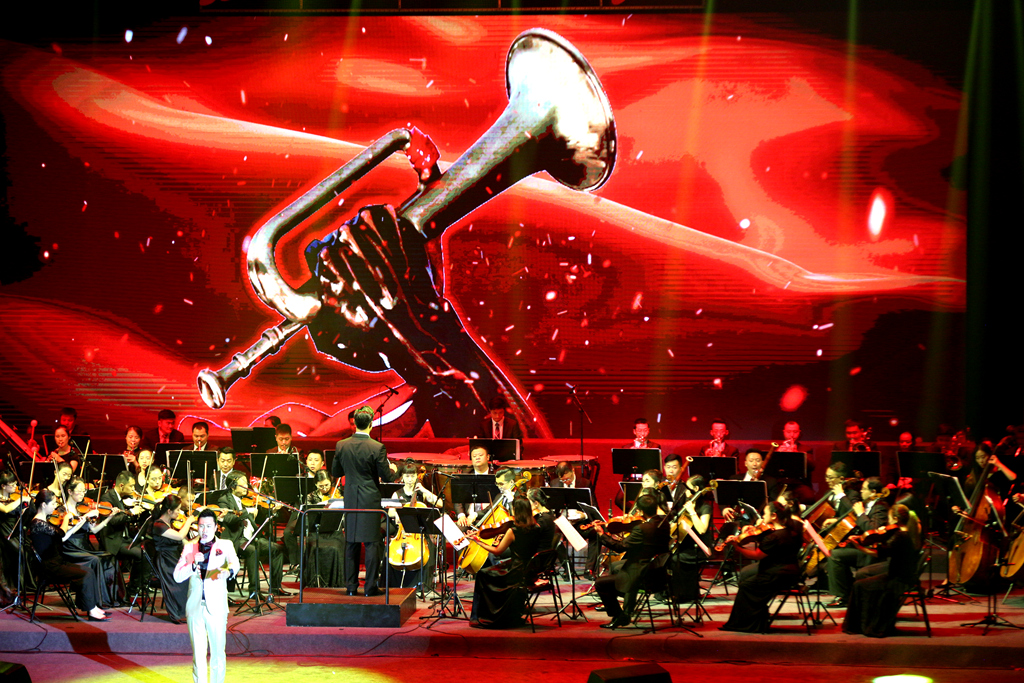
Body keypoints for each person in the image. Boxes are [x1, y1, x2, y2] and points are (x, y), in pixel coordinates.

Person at [332, 406, 397, 596]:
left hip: (351, 497)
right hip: (370, 499)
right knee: (371, 543)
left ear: (355, 424)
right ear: (370, 425)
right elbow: (387, 477)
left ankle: (351, 588)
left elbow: (336, 472)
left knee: (351, 542)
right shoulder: (377, 447)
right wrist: (393, 469)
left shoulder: (341, 445)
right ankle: (370, 587)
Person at [173, 509, 241, 683]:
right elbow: (177, 576)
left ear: (216, 527)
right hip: (195, 607)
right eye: (201, 526)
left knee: (218, 652)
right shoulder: (190, 547)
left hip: (217, 606)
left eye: (209, 526)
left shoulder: (225, 545)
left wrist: (227, 571)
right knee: (198, 654)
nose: (204, 530)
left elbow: (235, 563)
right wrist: (192, 564)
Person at [719, 500, 804, 633]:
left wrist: (737, 547)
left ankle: (747, 624)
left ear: (774, 516)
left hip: (776, 574)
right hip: (792, 572)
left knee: (746, 586)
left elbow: (757, 556)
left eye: (765, 514)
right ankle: (758, 620)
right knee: (747, 576)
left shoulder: (774, 537)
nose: (763, 517)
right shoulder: (792, 530)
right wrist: (755, 534)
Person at [466, 496, 548, 628]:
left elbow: (497, 551)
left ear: (516, 511)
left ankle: (486, 617)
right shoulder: (537, 527)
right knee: (493, 570)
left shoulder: (513, 531)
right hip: (530, 570)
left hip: (515, 572)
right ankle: (509, 613)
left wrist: (478, 541)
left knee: (482, 574)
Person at [842, 504, 923, 637]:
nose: (887, 522)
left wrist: (858, 546)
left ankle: (863, 625)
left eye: (889, 518)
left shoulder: (900, 536)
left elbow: (879, 553)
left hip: (898, 580)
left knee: (859, 585)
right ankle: (862, 624)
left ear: (895, 518)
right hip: (901, 576)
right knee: (861, 584)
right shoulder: (905, 533)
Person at [28, 489, 110, 621]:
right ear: (43, 505)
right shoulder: (38, 523)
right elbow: (61, 533)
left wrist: (80, 522)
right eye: (53, 504)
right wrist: (66, 518)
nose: (55, 506)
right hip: (50, 567)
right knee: (86, 574)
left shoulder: (44, 522)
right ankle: (91, 610)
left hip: (57, 562)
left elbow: (63, 537)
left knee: (89, 570)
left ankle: (93, 607)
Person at [593, 493, 671, 628]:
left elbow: (619, 548)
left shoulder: (642, 528)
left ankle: (620, 616)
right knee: (616, 566)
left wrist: (601, 534)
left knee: (600, 583)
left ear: (640, 511)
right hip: (658, 571)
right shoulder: (664, 523)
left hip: (641, 574)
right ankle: (627, 608)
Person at [218, 472, 286, 598]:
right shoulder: (224, 500)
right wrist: (246, 511)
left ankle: (275, 587)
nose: (247, 486)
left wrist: (272, 511)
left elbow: (260, 517)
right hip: (237, 539)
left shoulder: (247, 500)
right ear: (233, 486)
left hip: (253, 538)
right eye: (243, 483)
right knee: (252, 551)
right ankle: (254, 591)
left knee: (277, 549)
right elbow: (229, 519)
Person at [826, 476, 891, 606]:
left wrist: (861, 513)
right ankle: (847, 592)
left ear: (873, 492)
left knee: (835, 556)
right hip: (862, 546)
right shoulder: (869, 504)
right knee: (835, 551)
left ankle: (843, 596)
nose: (861, 491)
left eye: (864, 489)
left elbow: (872, 530)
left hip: (872, 552)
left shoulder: (881, 507)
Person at [63, 477, 120, 606]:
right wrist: (84, 518)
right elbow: (66, 533)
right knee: (95, 560)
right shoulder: (64, 510)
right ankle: (93, 601)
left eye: (84, 491)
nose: (82, 494)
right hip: (70, 547)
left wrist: (109, 517)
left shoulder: (83, 508)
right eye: (79, 491)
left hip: (83, 546)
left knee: (109, 557)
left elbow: (94, 530)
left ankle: (109, 598)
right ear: (70, 491)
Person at [387, 462, 442, 588]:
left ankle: (421, 583)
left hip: (420, 531)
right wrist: (397, 514)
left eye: (412, 476)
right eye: (407, 476)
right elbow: (390, 511)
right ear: (402, 477)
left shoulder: (422, 493)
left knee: (429, 548)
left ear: (417, 476)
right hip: (402, 531)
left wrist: (423, 490)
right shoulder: (397, 493)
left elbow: (439, 503)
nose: (410, 479)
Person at [98, 471, 148, 597]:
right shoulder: (107, 498)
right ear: (121, 485)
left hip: (125, 538)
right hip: (114, 540)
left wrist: (138, 513)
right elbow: (113, 521)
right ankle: (133, 588)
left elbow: (127, 518)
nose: (133, 489)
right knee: (140, 554)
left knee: (148, 549)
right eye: (131, 486)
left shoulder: (122, 498)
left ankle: (139, 585)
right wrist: (130, 512)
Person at [669, 474, 713, 603]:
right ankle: (672, 592)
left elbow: (702, 529)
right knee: (666, 556)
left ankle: (684, 593)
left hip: (698, 548)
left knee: (675, 559)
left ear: (696, 489)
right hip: (686, 545)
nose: (685, 491)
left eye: (687, 488)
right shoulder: (687, 504)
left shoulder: (705, 507)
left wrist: (692, 512)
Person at [152, 494, 195, 623]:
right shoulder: (158, 525)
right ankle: (180, 612)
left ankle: (189, 610)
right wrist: (188, 521)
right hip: (165, 561)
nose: (179, 512)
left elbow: (185, 542)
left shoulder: (169, 523)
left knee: (192, 574)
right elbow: (180, 536)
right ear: (169, 511)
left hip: (173, 558)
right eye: (178, 510)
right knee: (183, 579)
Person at [455, 446, 493, 528]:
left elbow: (497, 502)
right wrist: (461, 515)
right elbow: (458, 500)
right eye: (474, 456)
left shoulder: (496, 477)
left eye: (480, 455)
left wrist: (476, 514)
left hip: (489, 518)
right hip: (468, 518)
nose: (477, 458)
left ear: (488, 457)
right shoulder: (466, 477)